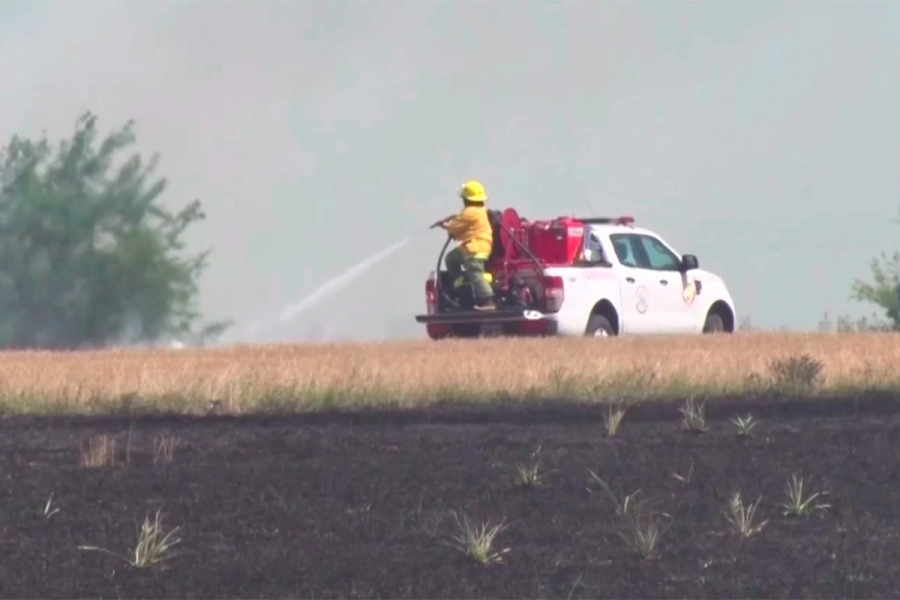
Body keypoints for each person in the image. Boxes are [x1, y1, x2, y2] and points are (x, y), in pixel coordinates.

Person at [433, 180, 496, 310]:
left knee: (475, 273)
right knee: (451, 258)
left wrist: (446, 225)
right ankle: (460, 284)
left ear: (466, 199)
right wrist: (454, 218)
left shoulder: (470, 212)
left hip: (475, 248)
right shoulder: (479, 210)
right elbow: (463, 221)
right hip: (471, 247)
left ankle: (487, 300)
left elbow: (455, 227)